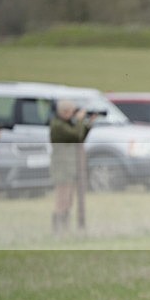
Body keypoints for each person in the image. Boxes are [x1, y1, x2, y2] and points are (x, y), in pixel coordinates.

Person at [49, 99, 95, 232]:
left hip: (70, 168)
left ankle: (65, 228)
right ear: (64, 112)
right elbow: (75, 135)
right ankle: (58, 229)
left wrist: (88, 123)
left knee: (69, 201)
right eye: (71, 112)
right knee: (61, 200)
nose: (73, 114)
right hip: (62, 168)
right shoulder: (58, 125)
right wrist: (80, 120)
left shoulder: (68, 124)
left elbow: (80, 137)